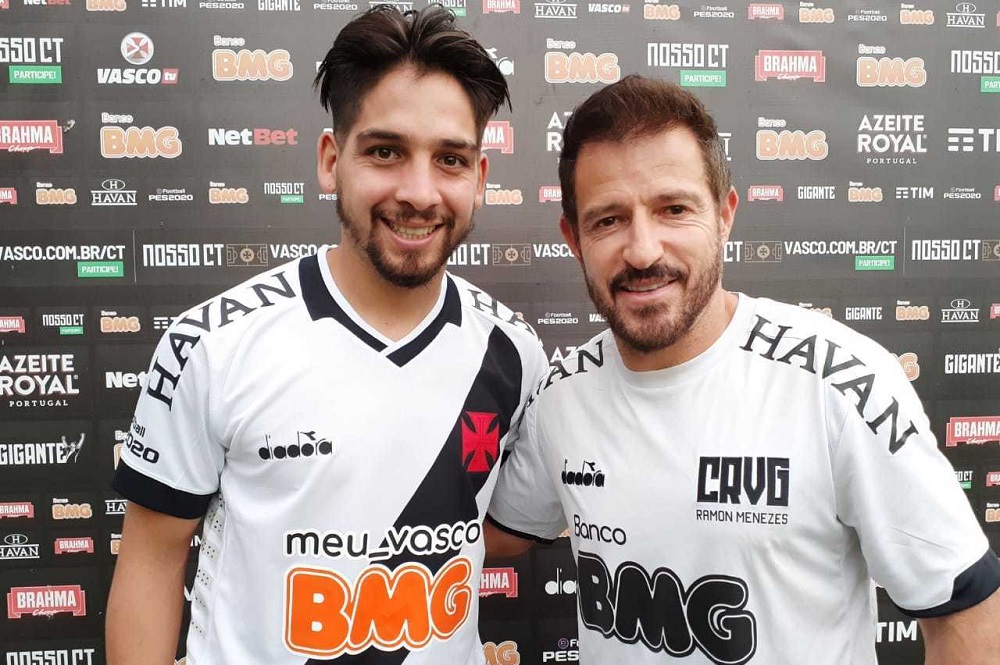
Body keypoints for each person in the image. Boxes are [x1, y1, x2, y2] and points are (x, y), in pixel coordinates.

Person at [485, 75, 1000, 664]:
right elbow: (490, 534)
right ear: (573, 239)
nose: (643, 250)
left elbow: (965, 612)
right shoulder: (561, 396)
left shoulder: (842, 385)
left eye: (674, 209)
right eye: (608, 220)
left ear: (725, 216)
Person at [105, 7, 547, 664]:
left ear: (479, 180)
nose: (419, 192)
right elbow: (150, 560)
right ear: (331, 160)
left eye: (450, 159)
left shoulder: (514, 352)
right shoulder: (215, 344)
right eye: (385, 151)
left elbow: (504, 527)